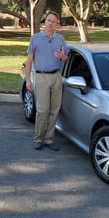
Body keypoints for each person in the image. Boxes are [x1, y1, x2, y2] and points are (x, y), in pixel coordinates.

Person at [24, 11, 67, 151]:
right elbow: (29, 60)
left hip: (56, 76)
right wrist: (28, 79)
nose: (51, 23)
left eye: (54, 21)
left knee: (55, 109)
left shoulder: (60, 39)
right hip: (41, 76)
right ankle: (38, 138)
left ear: (56, 24)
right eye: (49, 20)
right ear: (45, 22)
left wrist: (62, 56)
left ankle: (49, 139)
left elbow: (65, 58)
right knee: (42, 110)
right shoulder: (35, 38)